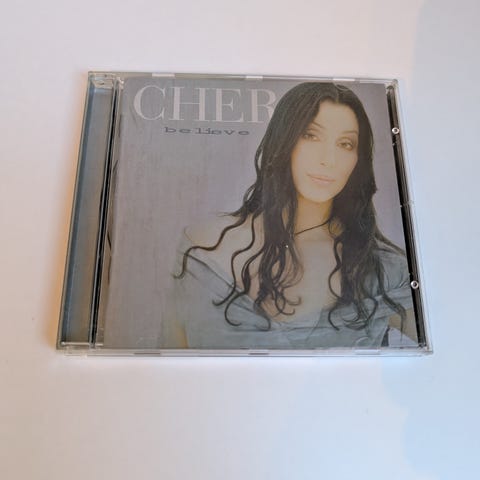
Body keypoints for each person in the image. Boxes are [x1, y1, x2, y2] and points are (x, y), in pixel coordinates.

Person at [161, 82, 417, 350]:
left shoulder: (384, 268)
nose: (328, 160)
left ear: (357, 159)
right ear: (284, 140)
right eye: (311, 135)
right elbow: (169, 357)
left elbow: (438, 349)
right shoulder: (204, 247)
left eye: (345, 144)